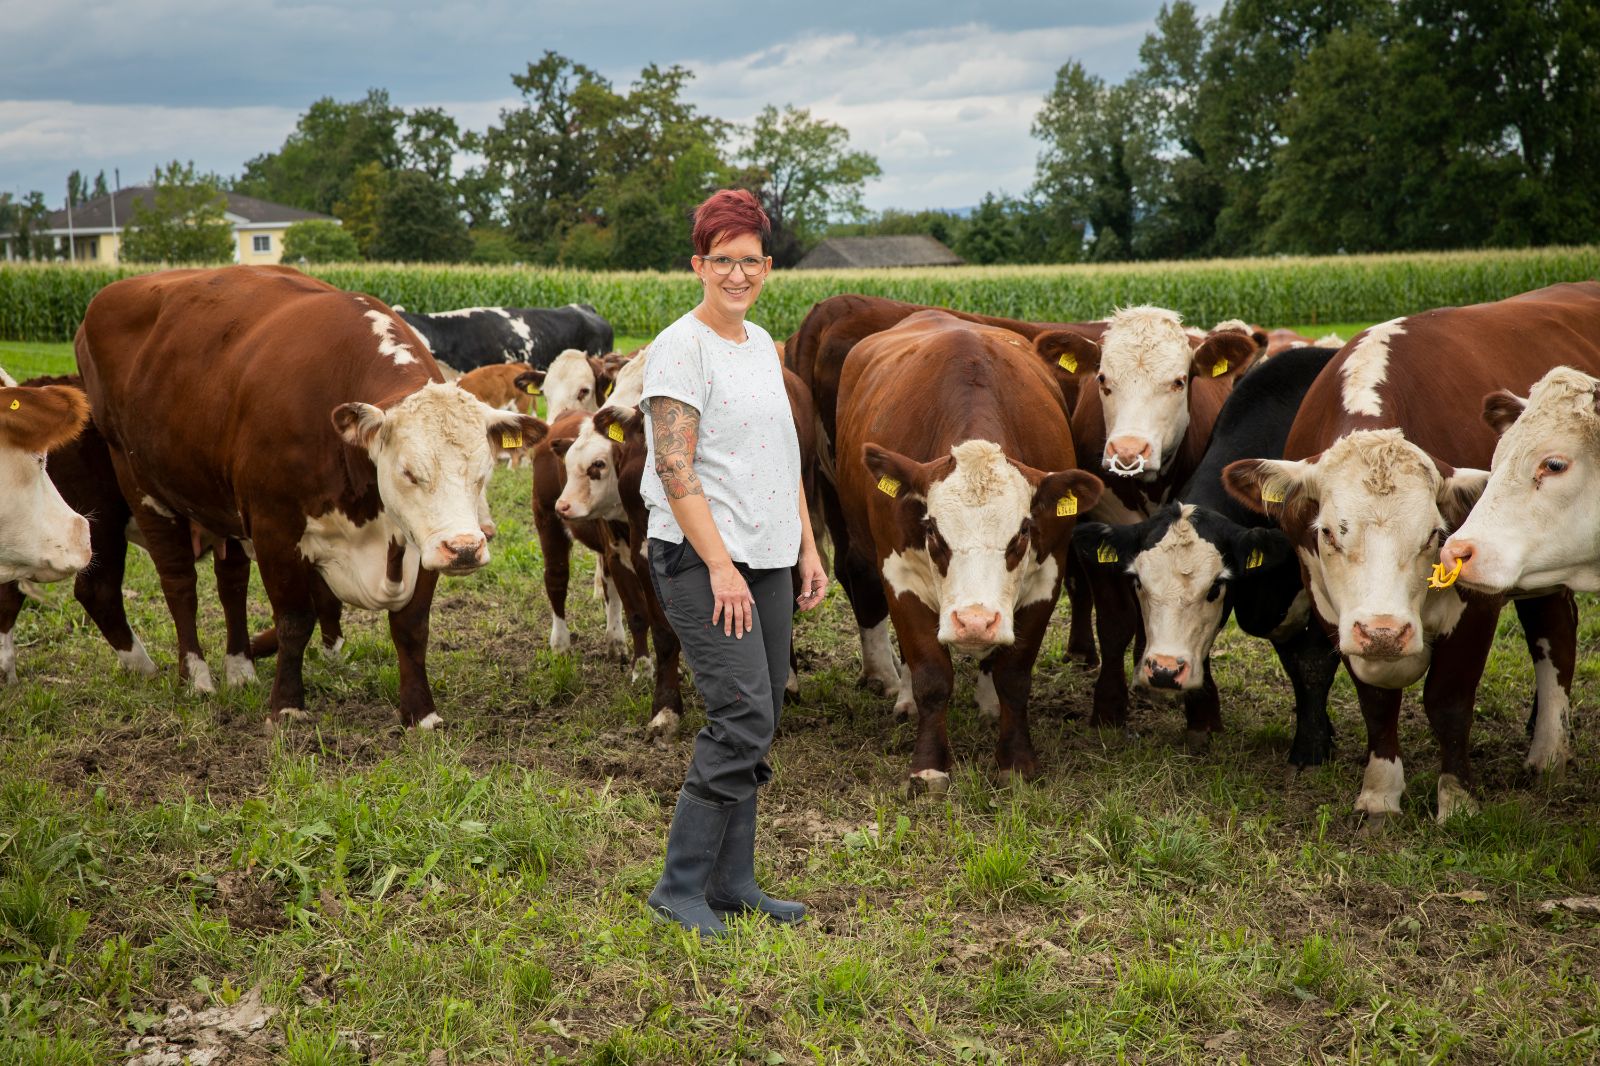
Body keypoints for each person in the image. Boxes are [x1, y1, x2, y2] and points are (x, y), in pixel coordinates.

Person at [640, 189, 829, 936]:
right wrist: (719, 566)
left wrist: (806, 548)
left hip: (769, 557)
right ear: (699, 264)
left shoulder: (761, 345)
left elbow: (783, 460)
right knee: (741, 714)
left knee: (768, 710)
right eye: (723, 261)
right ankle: (678, 886)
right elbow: (675, 467)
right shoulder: (679, 347)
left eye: (750, 261)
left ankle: (733, 880)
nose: (738, 274)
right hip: (700, 558)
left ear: (768, 267)